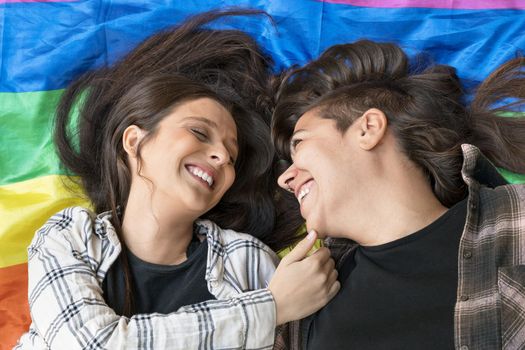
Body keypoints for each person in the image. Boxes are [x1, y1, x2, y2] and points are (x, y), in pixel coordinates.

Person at [15, 10, 340, 349]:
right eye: (199, 132)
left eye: (231, 156)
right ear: (134, 141)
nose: (221, 157)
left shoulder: (249, 262)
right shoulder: (69, 237)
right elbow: (91, 345)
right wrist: (269, 309)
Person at [271, 40, 525, 349]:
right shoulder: (303, 308)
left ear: (368, 128)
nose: (285, 179)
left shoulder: (515, 223)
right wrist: (271, 310)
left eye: (300, 143)